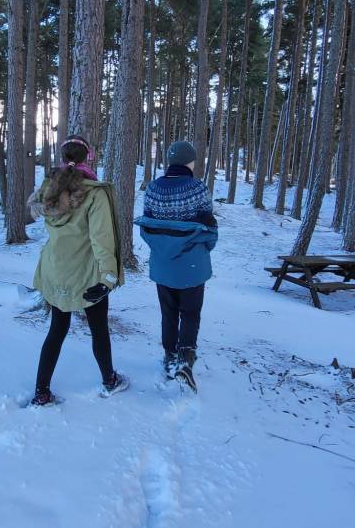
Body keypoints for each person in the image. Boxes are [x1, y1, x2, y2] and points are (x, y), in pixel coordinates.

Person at [28, 135, 129, 405]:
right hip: (87, 275)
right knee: (98, 329)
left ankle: (41, 392)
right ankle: (110, 379)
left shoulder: (49, 188)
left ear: (63, 158)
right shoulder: (94, 193)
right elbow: (102, 239)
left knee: (57, 329)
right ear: (88, 157)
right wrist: (108, 277)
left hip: (56, 269)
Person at [135, 140, 218, 390]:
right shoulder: (197, 189)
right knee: (190, 313)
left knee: (168, 313)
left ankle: (169, 356)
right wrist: (202, 250)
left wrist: (162, 249)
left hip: (162, 265)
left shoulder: (153, 189)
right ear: (189, 162)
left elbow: (148, 226)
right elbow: (210, 228)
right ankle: (185, 360)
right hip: (192, 266)